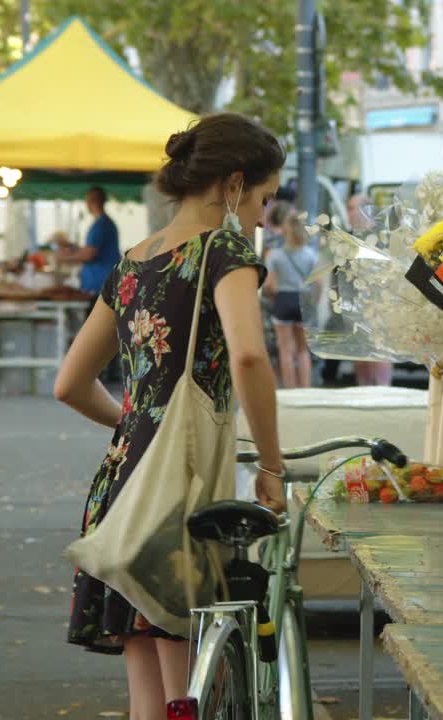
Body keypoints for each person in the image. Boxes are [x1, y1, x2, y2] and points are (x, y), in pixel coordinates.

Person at [54, 112, 287, 712]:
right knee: (189, 681)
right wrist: (272, 466)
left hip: (121, 486)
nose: (265, 214)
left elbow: (70, 384)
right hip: (179, 491)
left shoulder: (133, 261)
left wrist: (138, 425)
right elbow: (251, 359)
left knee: (148, 691)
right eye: (265, 197)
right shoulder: (225, 250)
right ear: (234, 184)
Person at [262, 211, 318, 388]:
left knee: (285, 350)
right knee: (303, 350)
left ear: (285, 231)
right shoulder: (311, 254)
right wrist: (314, 300)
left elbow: (270, 285)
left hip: (283, 299)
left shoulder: (275, 255)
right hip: (304, 299)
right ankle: (306, 390)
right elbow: (319, 282)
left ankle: (290, 391)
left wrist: (273, 299)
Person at [345, 194, 393, 386]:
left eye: (351, 208)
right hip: (355, 307)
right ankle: (363, 395)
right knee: (360, 358)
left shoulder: (382, 237)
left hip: (380, 308)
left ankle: (383, 394)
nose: (348, 213)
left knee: (380, 355)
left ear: (366, 210)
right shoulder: (349, 237)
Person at [58, 187, 122, 296]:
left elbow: (89, 254)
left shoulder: (101, 225)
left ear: (92, 201)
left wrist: (64, 257)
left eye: (88, 200)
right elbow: (92, 249)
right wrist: (72, 247)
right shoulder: (105, 223)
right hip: (103, 283)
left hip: (100, 285)